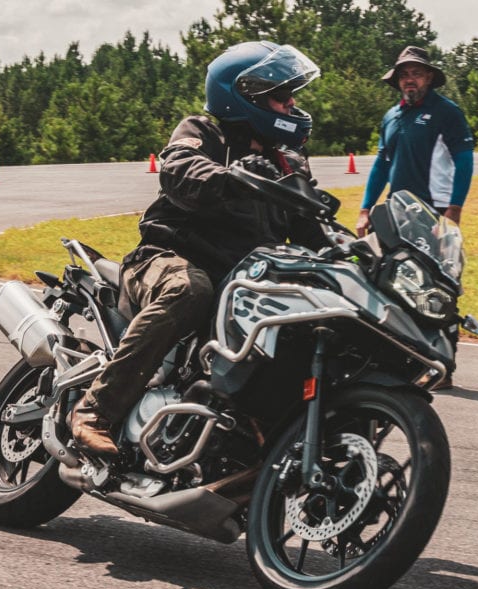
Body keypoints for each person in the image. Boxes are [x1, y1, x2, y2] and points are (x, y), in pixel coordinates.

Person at [69, 41, 326, 456]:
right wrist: (231, 177)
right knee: (191, 290)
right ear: (246, 96)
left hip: (240, 282)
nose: (292, 105)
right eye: (281, 97)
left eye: (292, 95)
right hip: (168, 260)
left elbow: (311, 226)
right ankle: (94, 411)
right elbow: (179, 169)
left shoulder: (288, 162)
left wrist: (356, 251)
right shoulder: (204, 132)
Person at [356, 46, 475, 389]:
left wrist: (454, 210)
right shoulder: (392, 116)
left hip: (435, 212)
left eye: (417, 73)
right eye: (404, 74)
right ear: (397, 81)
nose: (410, 79)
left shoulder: (446, 113)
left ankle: (443, 366)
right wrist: (366, 208)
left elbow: (464, 161)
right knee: (396, 283)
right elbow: (382, 164)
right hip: (397, 213)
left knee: (439, 287)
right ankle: (404, 360)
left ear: (429, 78)